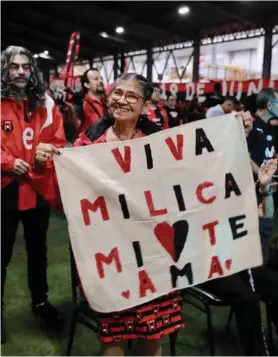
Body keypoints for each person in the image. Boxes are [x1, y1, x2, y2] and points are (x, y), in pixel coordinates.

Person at [1, 46, 66, 344]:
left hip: (37, 190)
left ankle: (40, 302)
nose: (20, 72)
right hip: (4, 190)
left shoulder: (47, 103)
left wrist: (45, 157)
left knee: (38, 252)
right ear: (4, 68)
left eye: (25, 67)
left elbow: (58, 142)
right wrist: (8, 162)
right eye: (14, 66)